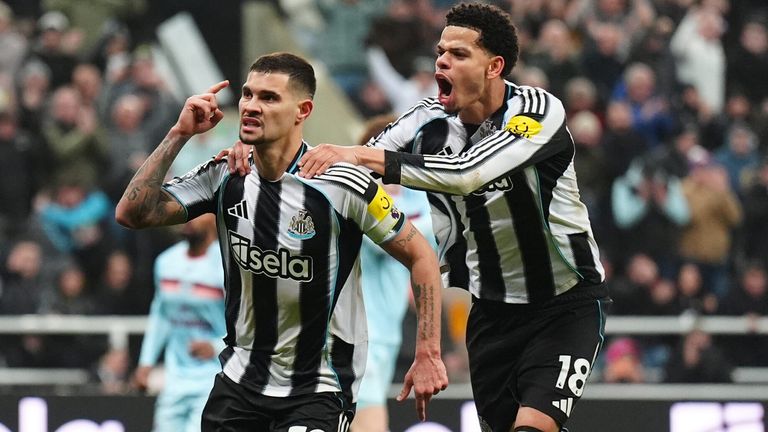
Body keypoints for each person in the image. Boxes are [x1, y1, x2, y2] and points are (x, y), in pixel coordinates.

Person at [227, 5, 609, 431]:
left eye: (460, 54)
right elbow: (345, 170)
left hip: (564, 306)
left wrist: (362, 155)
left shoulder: (538, 111)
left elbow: (469, 173)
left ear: (494, 66)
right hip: (491, 312)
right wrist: (264, 154)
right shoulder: (427, 118)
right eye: (440, 51)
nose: (442, 61)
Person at [115, 52, 447, 431]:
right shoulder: (225, 173)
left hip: (318, 388)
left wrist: (428, 352)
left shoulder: (343, 185)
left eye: (269, 98)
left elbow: (421, 255)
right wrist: (179, 134)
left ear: (302, 110)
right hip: (239, 383)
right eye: (248, 95)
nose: (252, 107)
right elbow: (132, 214)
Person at [351, 114, 437, 432]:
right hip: (360, 332)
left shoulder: (410, 196)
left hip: (385, 332)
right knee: (370, 424)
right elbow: (383, 241)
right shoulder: (363, 192)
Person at [133, 213, 226, 432]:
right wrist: (146, 362)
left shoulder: (225, 266)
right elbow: (161, 315)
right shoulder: (166, 262)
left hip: (214, 375)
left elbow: (245, 320)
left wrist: (215, 346)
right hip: (175, 376)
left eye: (198, 214)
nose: (189, 219)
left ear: (214, 219)